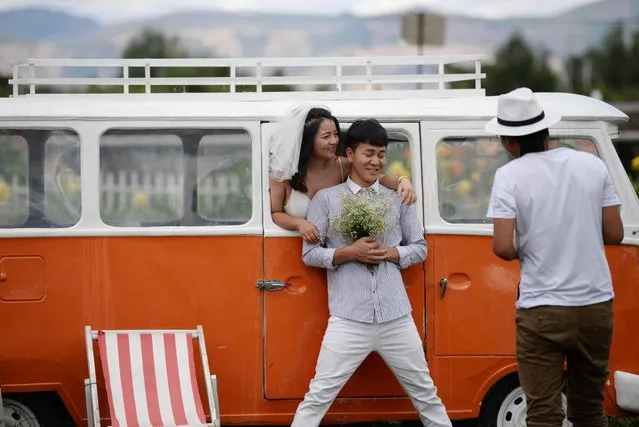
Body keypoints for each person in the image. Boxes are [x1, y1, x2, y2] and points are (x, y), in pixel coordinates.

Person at [291, 118, 451, 426]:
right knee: (318, 395)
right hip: (348, 319)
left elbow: (420, 248)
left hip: (396, 317)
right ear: (350, 154)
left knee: (426, 395)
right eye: (369, 153)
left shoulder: (398, 198)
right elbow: (310, 254)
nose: (375, 161)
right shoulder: (326, 199)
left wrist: (390, 253)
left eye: (381, 154)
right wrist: (351, 253)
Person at [485, 87, 625, 427]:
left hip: (542, 308)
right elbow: (615, 234)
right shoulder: (591, 166)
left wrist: (527, 249)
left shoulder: (509, 176)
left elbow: (502, 246)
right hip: (595, 306)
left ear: (508, 140)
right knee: (590, 409)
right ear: (546, 129)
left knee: (544, 412)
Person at [269, 104, 417, 243]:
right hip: (293, 249)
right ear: (308, 139)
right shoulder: (282, 173)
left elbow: (379, 178)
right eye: (326, 136)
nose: (334, 141)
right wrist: (300, 224)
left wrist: (402, 181)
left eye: (335, 134)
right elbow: (275, 213)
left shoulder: (343, 165)